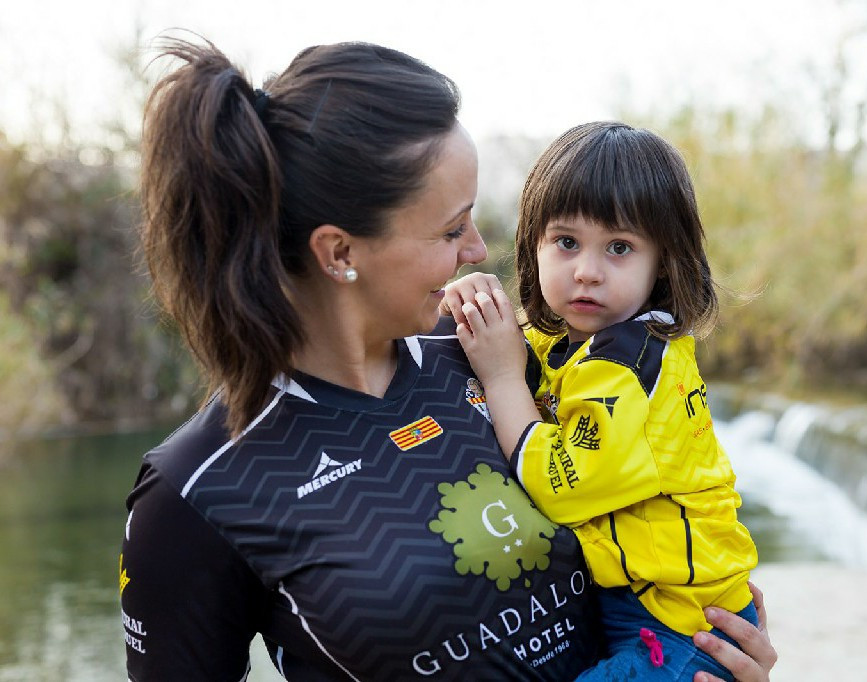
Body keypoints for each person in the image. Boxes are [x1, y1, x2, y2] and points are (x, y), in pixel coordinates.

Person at [119, 34, 777, 681]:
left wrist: (721, 663)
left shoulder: (496, 354)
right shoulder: (196, 491)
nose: (478, 249)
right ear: (339, 253)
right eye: (451, 227)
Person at [441, 121, 759, 680]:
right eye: (566, 242)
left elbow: (562, 489)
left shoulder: (629, 365)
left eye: (619, 247)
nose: (587, 272)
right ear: (533, 244)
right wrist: (471, 298)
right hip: (648, 608)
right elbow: (520, 348)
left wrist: (503, 378)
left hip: (682, 628)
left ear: (663, 262)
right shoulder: (583, 340)